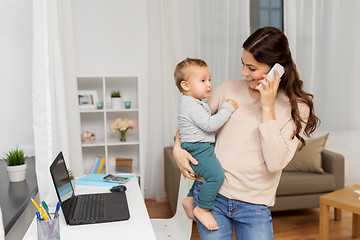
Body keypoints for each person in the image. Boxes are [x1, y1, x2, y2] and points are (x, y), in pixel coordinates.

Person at [173, 27, 319, 239]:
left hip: (255, 205)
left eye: (251, 67)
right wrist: (177, 150)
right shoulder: (228, 89)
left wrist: (267, 107)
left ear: (277, 69)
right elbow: (189, 126)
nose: (243, 73)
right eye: (243, 63)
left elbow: (275, 162)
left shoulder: (297, 107)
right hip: (213, 197)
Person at [174, 58, 239, 230]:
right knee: (216, 176)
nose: (209, 84)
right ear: (186, 85)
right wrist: (227, 109)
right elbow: (210, 125)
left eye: (209, 79)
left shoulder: (193, 103)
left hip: (199, 146)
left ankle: (189, 199)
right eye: (203, 80)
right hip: (198, 148)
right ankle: (202, 208)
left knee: (204, 176)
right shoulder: (191, 105)